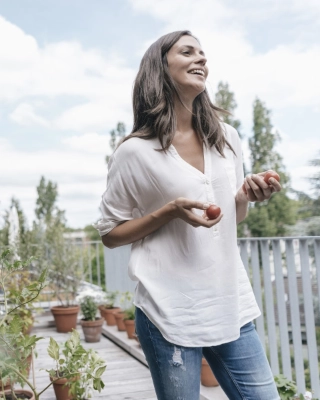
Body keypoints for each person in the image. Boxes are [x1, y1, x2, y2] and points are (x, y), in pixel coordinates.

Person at [95, 30, 281, 400]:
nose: (201, 59)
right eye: (187, 52)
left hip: (231, 305)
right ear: (160, 67)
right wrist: (168, 213)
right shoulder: (134, 152)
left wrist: (244, 196)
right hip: (169, 312)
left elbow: (232, 218)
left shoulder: (227, 137)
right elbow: (109, 233)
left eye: (203, 53)